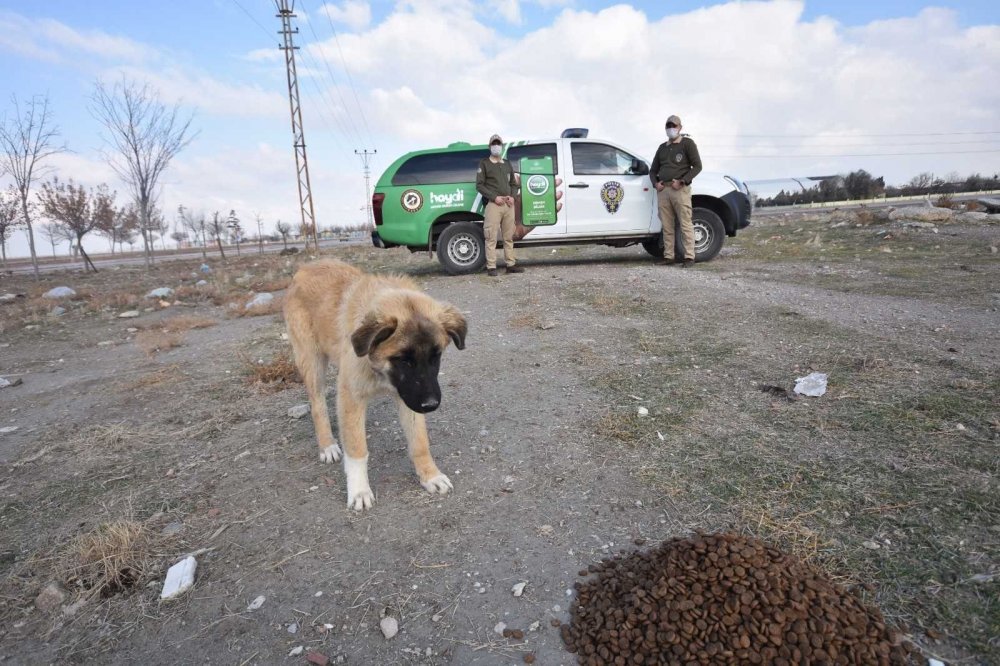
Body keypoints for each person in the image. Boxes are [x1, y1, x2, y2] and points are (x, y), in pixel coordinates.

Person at [649, 115, 702, 267]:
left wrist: (683, 181)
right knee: (667, 225)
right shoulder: (662, 147)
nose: (671, 128)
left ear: (680, 127)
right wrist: (655, 184)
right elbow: (653, 171)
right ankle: (669, 256)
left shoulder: (687, 144)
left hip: (679, 190)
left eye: (674, 125)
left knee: (685, 223)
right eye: (668, 126)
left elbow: (697, 166)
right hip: (663, 190)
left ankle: (689, 257)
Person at [476, 134, 523, 277]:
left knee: (509, 236)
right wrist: (494, 197)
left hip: (508, 205)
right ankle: (491, 267)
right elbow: (479, 185)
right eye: (493, 144)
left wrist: (513, 197)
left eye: (498, 144)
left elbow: (514, 184)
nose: (496, 146)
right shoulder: (484, 163)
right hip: (494, 205)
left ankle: (511, 264)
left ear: (501, 146)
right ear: (490, 146)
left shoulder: (507, 163)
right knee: (491, 237)